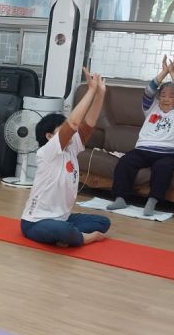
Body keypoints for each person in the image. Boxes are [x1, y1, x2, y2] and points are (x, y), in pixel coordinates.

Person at [21, 71, 111, 247]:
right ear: (49, 136)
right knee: (64, 231)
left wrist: (100, 93)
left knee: (103, 222)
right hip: (35, 222)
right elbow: (74, 123)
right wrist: (90, 90)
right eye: (61, 128)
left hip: (63, 218)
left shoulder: (72, 146)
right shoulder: (48, 151)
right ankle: (81, 237)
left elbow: (89, 123)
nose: (68, 132)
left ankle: (67, 236)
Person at [108, 55, 174, 216]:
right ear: (159, 98)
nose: (166, 99)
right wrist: (164, 72)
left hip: (169, 153)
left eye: (171, 96)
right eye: (163, 95)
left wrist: (173, 73)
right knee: (125, 162)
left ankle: (152, 201)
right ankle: (120, 198)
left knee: (162, 167)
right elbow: (148, 92)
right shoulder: (151, 108)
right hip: (143, 151)